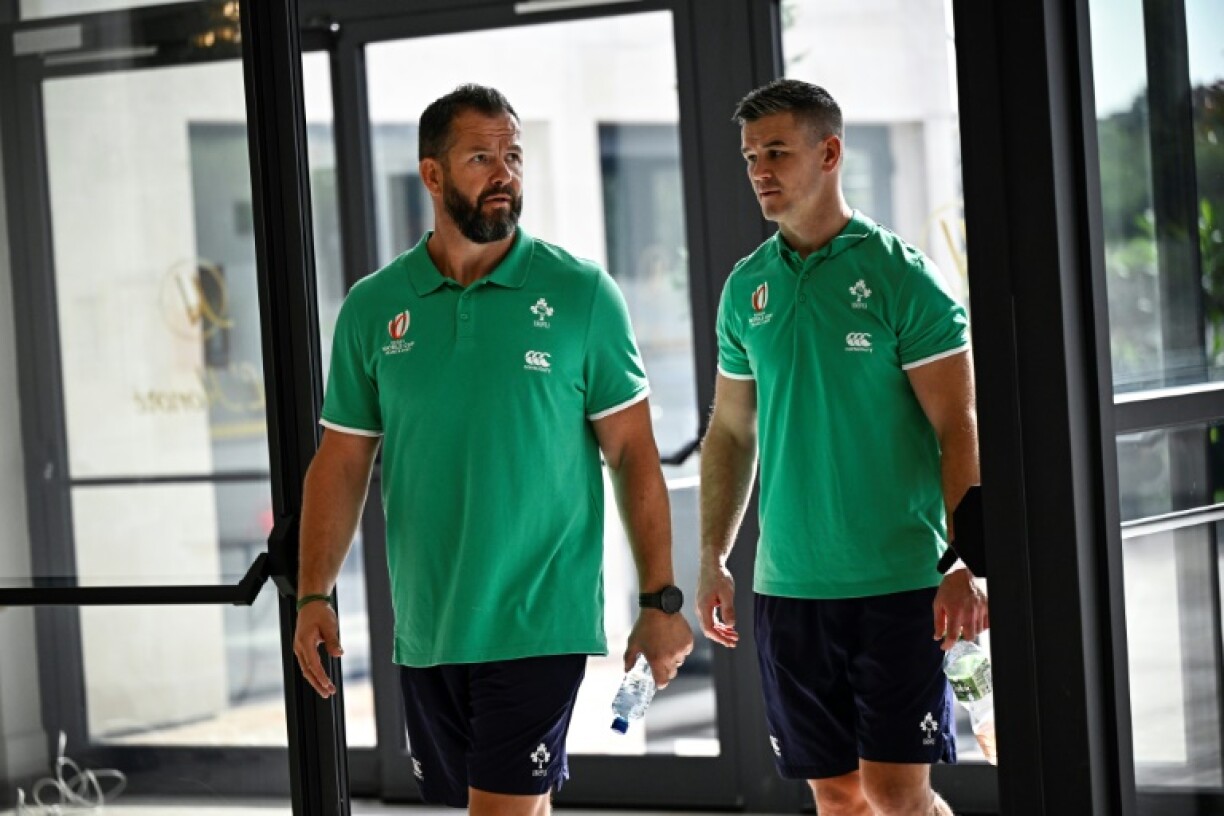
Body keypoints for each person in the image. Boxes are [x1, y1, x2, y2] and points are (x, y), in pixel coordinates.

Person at [292, 84, 693, 815]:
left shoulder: (581, 295)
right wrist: (315, 591)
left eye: (513, 154)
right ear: (433, 174)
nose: (505, 171)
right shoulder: (375, 308)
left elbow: (633, 452)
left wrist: (660, 599)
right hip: (430, 626)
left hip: (539, 617)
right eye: (482, 157)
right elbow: (342, 460)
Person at [697, 78, 988, 816]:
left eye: (776, 151)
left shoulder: (903, 277)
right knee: (837, 793)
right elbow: (732, 430)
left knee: (896, 791)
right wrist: (711, 557)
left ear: (829, 153)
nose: (760, 169)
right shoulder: (746, 289)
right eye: (749, 155)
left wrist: (966, 562)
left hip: (898, 583)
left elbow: (960, 424)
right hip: (790, 587)